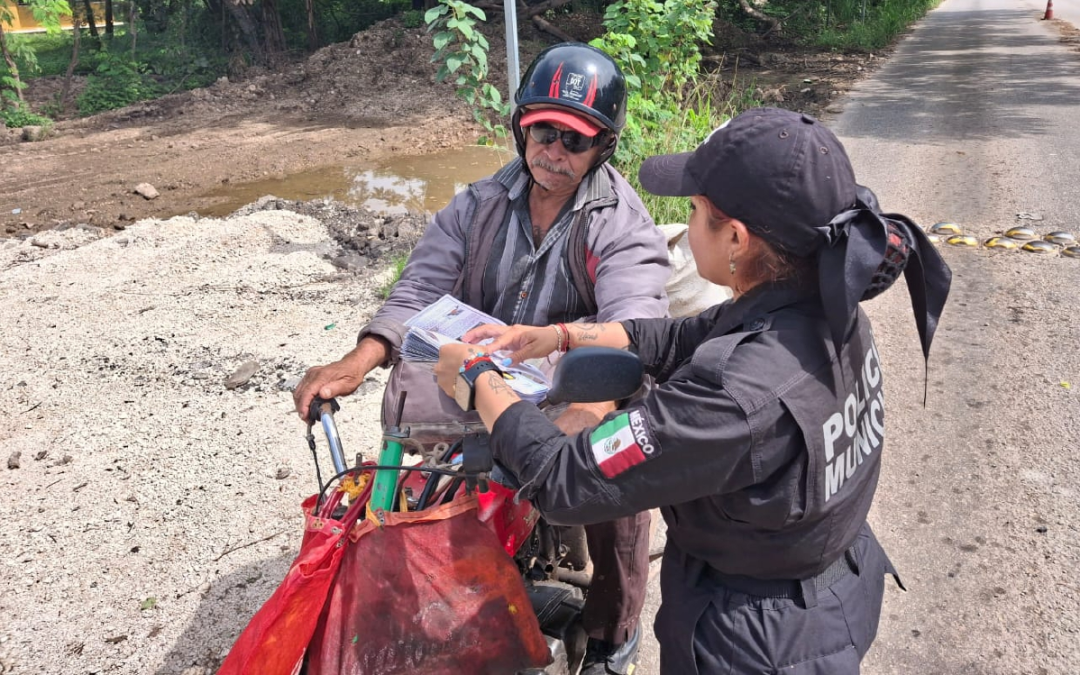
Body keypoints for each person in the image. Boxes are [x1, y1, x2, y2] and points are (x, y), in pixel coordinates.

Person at [434, 107, 953, 673]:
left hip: (754, 642)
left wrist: (479, 377)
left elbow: (564, 480)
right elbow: (681, 334)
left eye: (694, 211)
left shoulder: (730, 397)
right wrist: (558, 335)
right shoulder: (823, 307)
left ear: (735, 238)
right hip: (831, 582)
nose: (686, 220)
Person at [293, 42, 671, 675]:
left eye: (572, 141)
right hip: (485, 375)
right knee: (407, 406)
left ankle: (613, 628)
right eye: (542, 132)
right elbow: (419, 288)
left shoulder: (619, 224)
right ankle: (446, 569)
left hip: (572, 382)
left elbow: (632, 325)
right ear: (519, 126)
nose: (553, 152)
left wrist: (594, 401)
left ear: (602, 147)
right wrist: (361, 358)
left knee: (617, 460)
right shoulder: (477, 204)